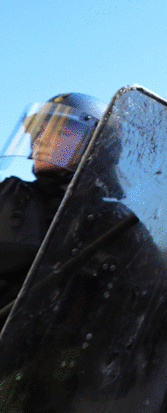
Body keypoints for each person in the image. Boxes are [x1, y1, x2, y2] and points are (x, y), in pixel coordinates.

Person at [0, 92, 107, 328]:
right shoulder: (7, 194)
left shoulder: (113, 221)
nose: (41, 139)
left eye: (60, 132)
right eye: (40, 130)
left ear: (95, 146)